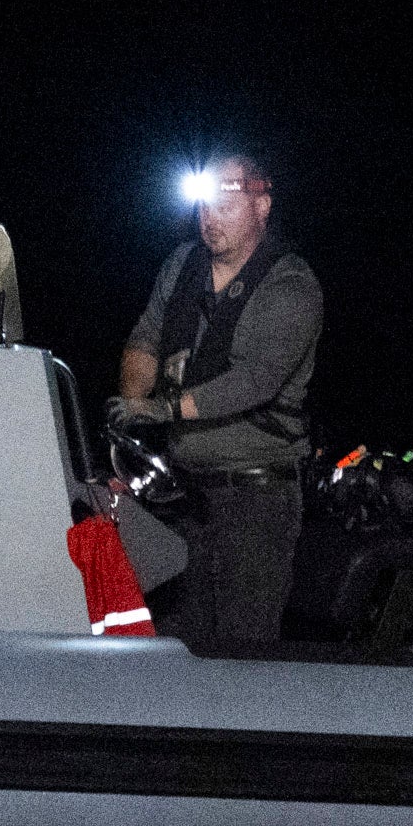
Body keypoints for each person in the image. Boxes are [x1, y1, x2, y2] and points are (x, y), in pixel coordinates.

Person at [113, 150, 321, 649]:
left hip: (256, 498)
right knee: (175, 643)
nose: (211, 218)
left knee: (241, 649)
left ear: (261, 206)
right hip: (185, 494)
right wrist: (130, 420)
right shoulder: (182, 265)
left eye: (227, 202)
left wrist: (167, 409)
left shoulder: (292, 285)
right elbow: (146, 337)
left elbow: (257, 380)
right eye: (204, 204)